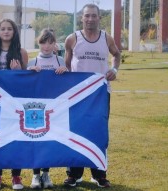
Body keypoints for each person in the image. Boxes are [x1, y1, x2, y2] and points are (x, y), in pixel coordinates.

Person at [63, 4, 121, 188]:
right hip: (78, 94)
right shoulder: (72, 39)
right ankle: (74, 174)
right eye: (87, 16)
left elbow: (117, 55)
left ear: (99, 18)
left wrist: (114, 69)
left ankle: (99, 174)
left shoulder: (106, 38)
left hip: (100, 93)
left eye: (93, 16)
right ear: (82, 18)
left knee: (99, 131)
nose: (90, 19)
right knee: (75, 131)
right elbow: (67, 65)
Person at [0, 18, 28, 190]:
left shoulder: (22, 52)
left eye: (9, 29)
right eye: (3, 29)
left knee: (16, 137)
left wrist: (18, 73)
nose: (6, 31)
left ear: (14, 32)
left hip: (15, 102)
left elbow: (27, 79)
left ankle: (16, 176)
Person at [27, 28, 67, 189]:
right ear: (39, 43)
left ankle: (46, 173)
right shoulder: (32, 62)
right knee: (36, 139)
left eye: (50, 43)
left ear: (54, 44)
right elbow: (23, 85)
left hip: (54, 108)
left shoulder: (60, 60)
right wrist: (29, 73)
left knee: (49, 139)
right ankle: (35, 175)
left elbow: (67, 83)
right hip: (35, 108)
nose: (47, 46)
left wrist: (66, 71)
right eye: (44, 42)